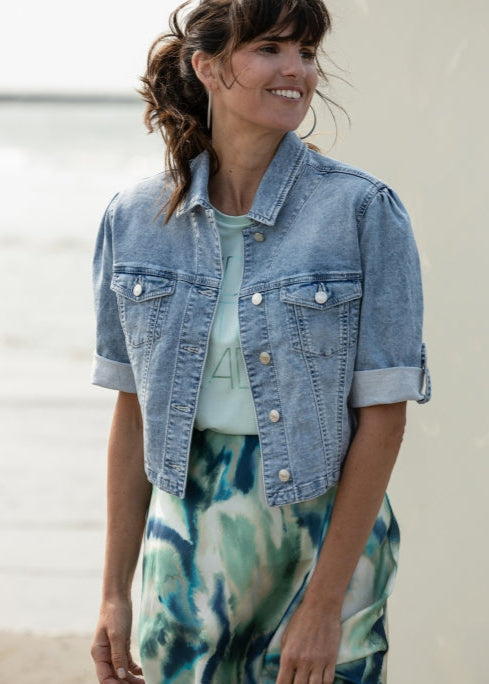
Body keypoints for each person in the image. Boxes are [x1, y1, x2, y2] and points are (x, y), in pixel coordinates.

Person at [90, 0, 431, 682]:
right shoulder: (133, 219)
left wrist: (324, 604)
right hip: (184, 545)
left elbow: (383, 417)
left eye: (307, 53)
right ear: (206, 67)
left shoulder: (362, 211)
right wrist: (113, 593)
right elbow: (133, 413)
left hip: (320, 539)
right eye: (271, 49)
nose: (296, 70)